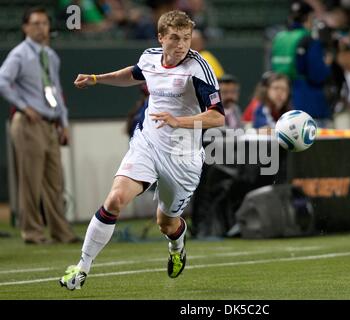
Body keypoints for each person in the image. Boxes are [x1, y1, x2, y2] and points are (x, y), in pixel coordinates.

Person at [59, 10, 225, 290]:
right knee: (114, 200)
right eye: (175, 37)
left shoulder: (198, 68)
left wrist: (178, 121)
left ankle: (177, 247)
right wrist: (97, 79)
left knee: (166, 223)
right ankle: (82, 267)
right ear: (161, 37)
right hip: (148, 143)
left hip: (182, 157)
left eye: (187, 38)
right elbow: (135, 74)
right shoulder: (149, 57)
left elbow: (218, 117)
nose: (182, 44)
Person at [0, 7, 79, 244]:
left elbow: (56, 90)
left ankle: (60, 231)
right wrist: (23, 106)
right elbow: (2, 81)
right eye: (35, 23)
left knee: (56, 181)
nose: (41, 28)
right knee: (31, 180)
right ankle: (32, 232)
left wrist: (63, 123)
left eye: (44, 23)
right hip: (28, 123)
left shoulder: (50, 56)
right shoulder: (19, 54)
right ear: (25, 27)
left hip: (49, 123)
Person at [270, 0, 331, 127]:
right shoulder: (309, 40)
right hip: (310, 104)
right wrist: (327, 64)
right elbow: (317, 75)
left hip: (284, 105)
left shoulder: (279, 38)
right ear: (308, 17)